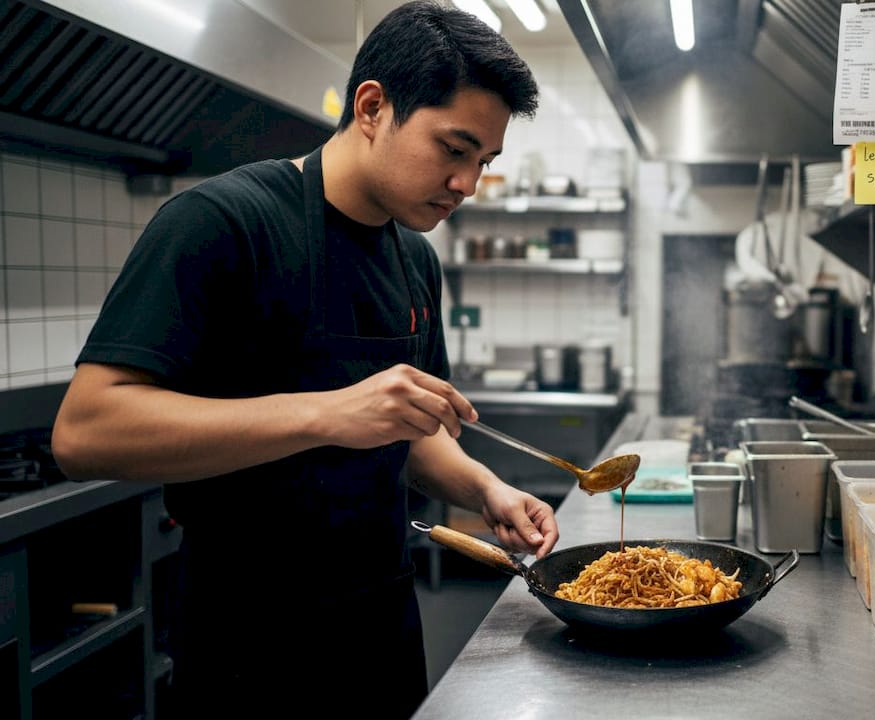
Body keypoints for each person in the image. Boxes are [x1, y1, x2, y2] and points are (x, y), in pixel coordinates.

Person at [50, 2, 555, 717]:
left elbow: (412, 432)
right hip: (247, 643)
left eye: (483, 162)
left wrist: (486, 490)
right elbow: (83, 433)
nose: (467, 184)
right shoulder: (223, 224)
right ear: (373, 106)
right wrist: (328, 412)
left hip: (380, 622)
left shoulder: (414, 260)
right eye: (453, 148)